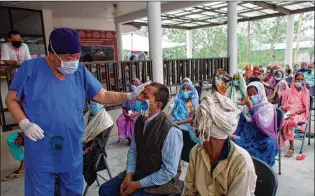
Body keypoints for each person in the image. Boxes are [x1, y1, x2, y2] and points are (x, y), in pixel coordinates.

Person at [5, 28, 150, 196]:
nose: (73, 62)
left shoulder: (79, 71)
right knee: (40, 190)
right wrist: (25, 123)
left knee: (72, 188)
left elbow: (102, 95)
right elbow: (11, 100)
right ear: (52, 54)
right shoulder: (30, 69)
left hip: (71, 144)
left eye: (77, 57)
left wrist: (128, 96)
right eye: (68, 58)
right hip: (40, 146)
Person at [99, 82, 183, 196]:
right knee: (105, 190)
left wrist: (137, 184)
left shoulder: (171, 131)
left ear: (158, 105)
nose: (139, 97)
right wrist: (129, 175)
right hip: (140, 172)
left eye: (145, 96)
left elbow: (168, 172)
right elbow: (133, 150)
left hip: (162, 181)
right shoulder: (140, 120)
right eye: (141, 94)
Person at [184, 92, 257, 196]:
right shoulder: (196, 152)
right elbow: (189, 191)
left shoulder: (242, 163)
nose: (192, 126)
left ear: (203, 131)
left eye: (195, 123)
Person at [232, 82, 279, 167]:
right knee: (230, 142)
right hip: (246, 138)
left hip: (263, 138)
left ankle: (262, 169)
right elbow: (240, 126)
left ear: (261, 93)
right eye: (249, 94)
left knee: (269, 145)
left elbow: (262, 127)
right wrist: (234, 135)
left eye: (254, 93)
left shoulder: (268, 108)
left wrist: (251, 109)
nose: (252, 96)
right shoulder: (245, 109)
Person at [280, 73, 310, 157]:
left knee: (290, 122)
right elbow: (285, 103)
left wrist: (295, 113)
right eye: (298, 79)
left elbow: (306, 107)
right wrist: (284, 108)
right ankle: (275, 143)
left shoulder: (305, 91)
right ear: (294, 80)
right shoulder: (289, 91)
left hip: (301, 113)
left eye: (301, 80)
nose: (300, 81)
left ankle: (291, 148)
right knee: (280, 120)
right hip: (290, 112)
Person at [117, 78, 142, 144]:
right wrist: (126, 114)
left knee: (132, 121)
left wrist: (135, 114)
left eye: (136, 84)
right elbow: (124, 107)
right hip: (128, 112)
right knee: (120, 120)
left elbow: (143, 109)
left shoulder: (141, 95)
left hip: (139, 113)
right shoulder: (128, 95)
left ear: (139, 85)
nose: (133, 86)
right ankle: (127, 137)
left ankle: (134, 139)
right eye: (132, 84)